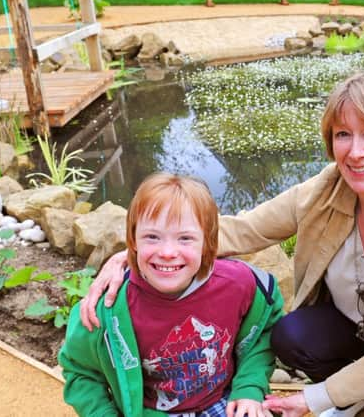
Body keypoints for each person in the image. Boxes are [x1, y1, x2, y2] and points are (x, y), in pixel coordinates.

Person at [80, 72, 364, 417]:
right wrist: (137, 254)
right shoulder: (326, 190)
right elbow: (242, 231)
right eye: (342, 135)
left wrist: (312, 400)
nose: (355, 152)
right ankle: (358, 388)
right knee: (291, 335)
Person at [59, 173, 284, 417]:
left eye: (185, 238)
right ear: (132, 240)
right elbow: (80, 371)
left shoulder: (240, 285)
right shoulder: (108, 306)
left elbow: (264, 329)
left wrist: (249, 388)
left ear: (207, 242)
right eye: (152, 237)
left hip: (225, 400)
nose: (167, 252)